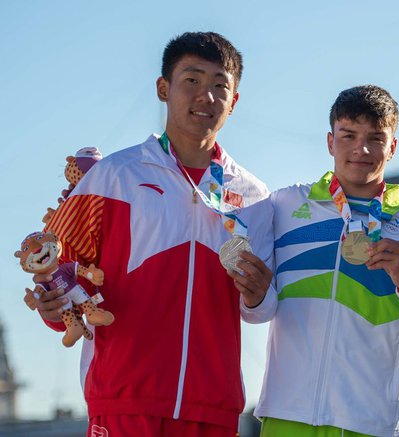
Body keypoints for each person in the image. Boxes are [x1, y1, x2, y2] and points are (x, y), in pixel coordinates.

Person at [33, 32, 277, 436]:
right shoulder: (113, 176)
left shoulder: (254, 195)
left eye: (220, 85)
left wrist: (257, 294)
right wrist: (53, 309)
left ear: (234, 101)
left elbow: (259, 310)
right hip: (124, 400)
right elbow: (55, 272)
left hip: (213, 407)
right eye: (192, 80)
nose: (207, 96)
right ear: (163, 88)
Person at [254, 85, 399, 436]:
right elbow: (256, 311)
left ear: (392, 147)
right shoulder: (284, 206)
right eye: (348, 135)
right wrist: (254, 294)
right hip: (286, 416)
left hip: (373, 423)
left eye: (375, 138)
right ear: (330, 141)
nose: (360, 149)